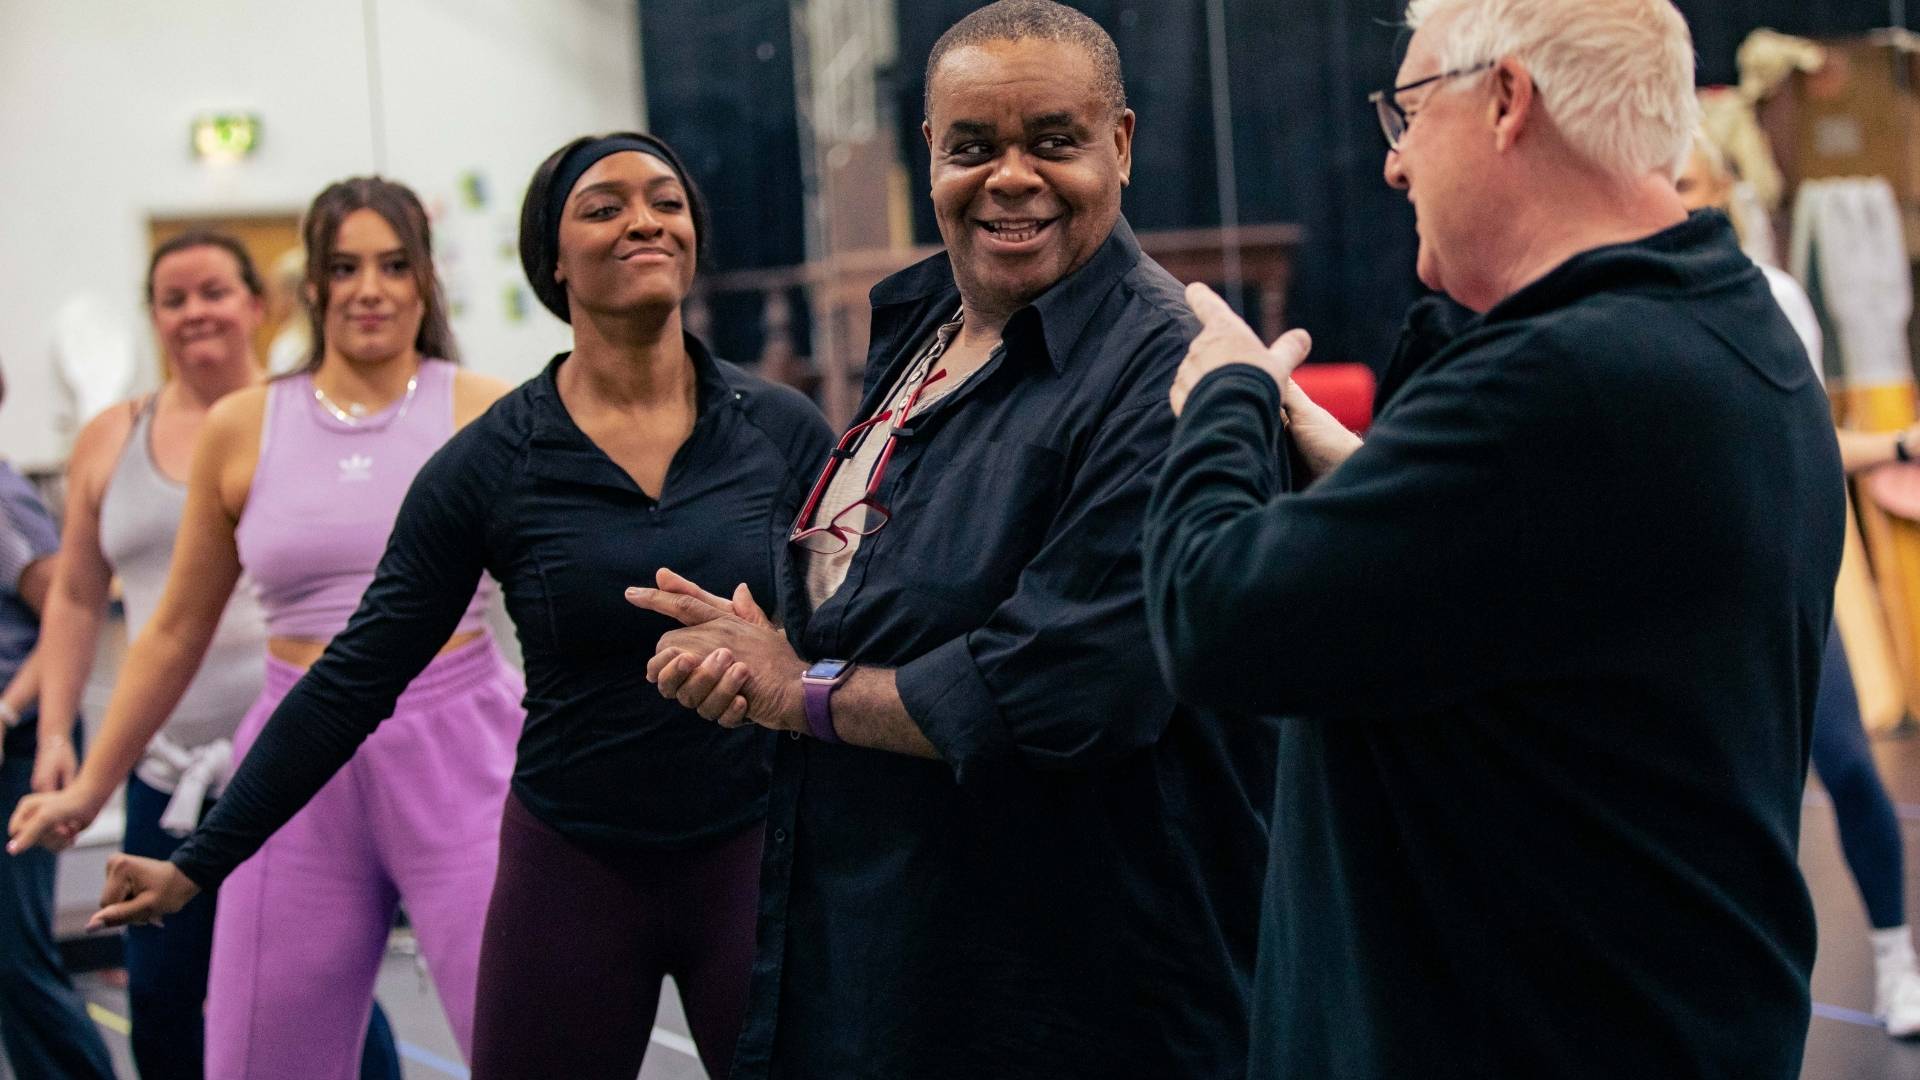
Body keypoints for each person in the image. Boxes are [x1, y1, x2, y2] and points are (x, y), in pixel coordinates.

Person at [29, 134, 834, 1080]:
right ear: (553, 257)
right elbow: (354, 676)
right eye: (605, 206)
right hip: (573, 865)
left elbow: (856, 627)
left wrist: (788, 662)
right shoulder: (490, 461)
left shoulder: (782, 432)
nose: (644, 221)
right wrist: (198, 861)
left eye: (665, 201)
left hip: (751, 846)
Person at [1141, 0, 1841, 1075]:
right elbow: (1538, 585)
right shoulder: (1722, 327)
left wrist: (1226, 397)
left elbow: (1211, 613)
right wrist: (1366, 477)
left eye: (1409, 112)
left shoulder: (1558, 387)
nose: (1395, 165)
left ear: (1509, 100)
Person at [630, 3, 1282, 1076]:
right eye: (972, 146)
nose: (1011, 177)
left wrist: (796, 686)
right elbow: (907, 597)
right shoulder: (929, 329)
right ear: (926, 154)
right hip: (890, 963)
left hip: (1076, 995)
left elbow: (1060, 687)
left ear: (1120, 143)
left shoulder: (1168, 372)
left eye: (1054, 141)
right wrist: (769, 646)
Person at [10, 178, 519, 1080]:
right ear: (312, 287)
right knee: (256, 1056)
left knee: (519, 1038)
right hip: (294, 762)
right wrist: (88, 783)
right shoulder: (246, 426)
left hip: (457, 748)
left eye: (394, 265)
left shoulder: (486, 409)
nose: (370, 287)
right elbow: (172, 631)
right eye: (345, 266)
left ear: (424, 282)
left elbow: (562, 594)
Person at [28, 231, 403, 1079]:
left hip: (292, 750)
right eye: (173, 297)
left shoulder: (305, 417)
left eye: (213, 292)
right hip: (165, 762)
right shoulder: (109, 438)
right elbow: (79, 596)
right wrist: (57, 731)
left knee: (318, 981)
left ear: (256, 306)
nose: (194, 311)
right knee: (163, 995)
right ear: (153, 318)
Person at [1676, 134, 1920, 1036]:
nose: (1680, 199)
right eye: (1664, 184)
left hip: (1774, 586)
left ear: (1728, 191)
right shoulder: (1626, 305)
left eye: (1691, 182)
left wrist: (1896, 446)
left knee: (1849, 766)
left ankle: (1897, 958)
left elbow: (1804, 445)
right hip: (1688, 605)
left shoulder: (1771, 299)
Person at [0, 357, 116, 1080]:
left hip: (21, 747)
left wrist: (10, 709)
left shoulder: (4, 501)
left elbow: (66, 617)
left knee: (14, 955)